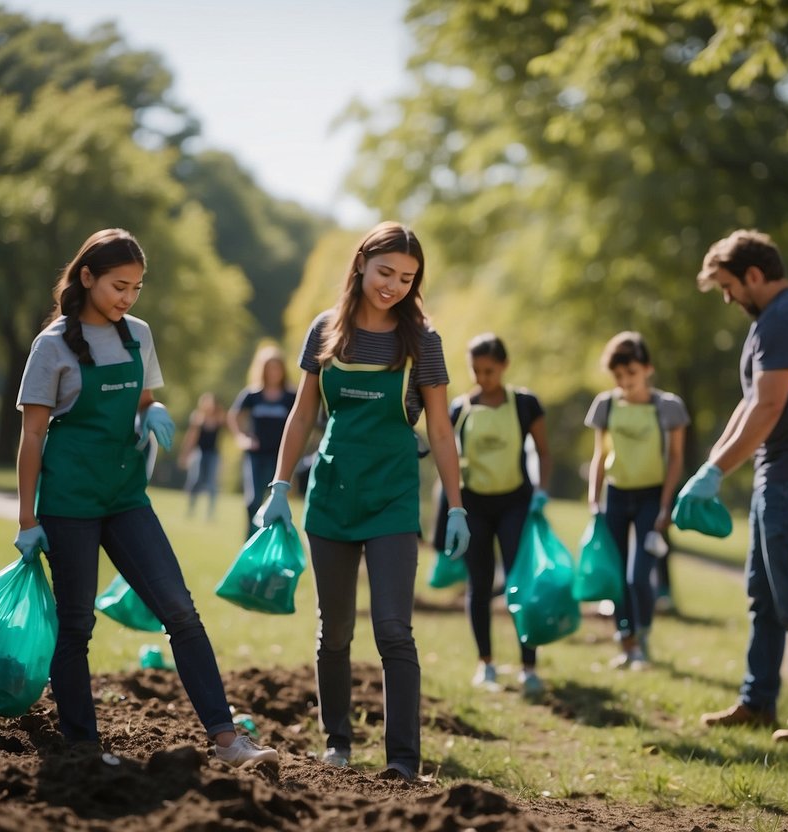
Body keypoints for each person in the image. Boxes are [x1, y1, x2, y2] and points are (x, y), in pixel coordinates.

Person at [13, 228, 278, 769]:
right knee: (76, 624)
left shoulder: (138, 334)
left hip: (127, 498)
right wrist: (26, 519)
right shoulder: (52, 347)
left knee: (180, 609)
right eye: (118, 286)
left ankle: (228, 742)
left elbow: (144, 399)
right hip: (69, 503)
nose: (127, 298)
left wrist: (150, 411)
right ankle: (84, 747)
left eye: (136, 287)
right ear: (86, 278)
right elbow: (33, 436)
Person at [253, 221, 470, 782]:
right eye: (385, 272)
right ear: (361, 265)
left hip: (394, 499)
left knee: (394, 629)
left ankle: (403, 759)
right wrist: (278, 486)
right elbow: (303, 415)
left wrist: (458, 506)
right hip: (330, 498)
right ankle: (337, 744)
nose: (394, 285)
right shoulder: (327, 331)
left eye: (407, 278)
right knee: (335, 630)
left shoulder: (422, 340)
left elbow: (442, 430)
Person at [686, 229, 788, 743]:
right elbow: (753, 399)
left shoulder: (783, 319)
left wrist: (715, 473)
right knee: (764, 596)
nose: (729, 299)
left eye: (730, 287)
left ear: (755, 275)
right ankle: (758, 703)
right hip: (780, 473)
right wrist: (713, 462)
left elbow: (768, 407)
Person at [447, 333, 553, 696]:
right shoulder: (460, 409)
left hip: (516, 503)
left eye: (489, 370)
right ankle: (486, 663)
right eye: (475, 370)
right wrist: (452, 507)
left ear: (504, 366)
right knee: (479, 584)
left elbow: (544, 451)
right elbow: (448, 457)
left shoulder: (525, 404)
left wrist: (541, 491)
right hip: (474, 505)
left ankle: (529, 666)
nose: (482, 377)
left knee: (520, 582)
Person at [585, 332, 689, 670]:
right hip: (616, 495)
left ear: (647, 369)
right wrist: (593, 499)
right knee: (615, 576)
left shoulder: (668, 407)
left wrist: (664, 504)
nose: (624, 382)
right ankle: (625, 643)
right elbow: (599, 455)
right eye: (618, 376)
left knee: (638, 576)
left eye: (631, 373)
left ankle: (641, 637)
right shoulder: (606, 404)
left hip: (650, 497)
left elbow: (675, 458)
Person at [228, 344, 297, 540]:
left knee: (275, 501)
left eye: (277, 368)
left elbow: (304, 420)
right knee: (253, 501)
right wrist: (242, 438)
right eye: (269, 368)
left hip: (280, 457)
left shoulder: (290, 397)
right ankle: (249, 542)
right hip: (256, 457)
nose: (273, 372)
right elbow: (234, 416)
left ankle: (270, 543)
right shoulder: (252, 395)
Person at [179, 392, 224, 519]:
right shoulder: (198, 419)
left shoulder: (219, 418)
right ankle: (191, 509)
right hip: (199, 453)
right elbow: (191, 438)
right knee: (195, 481)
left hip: (213, 454)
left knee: (212, 484)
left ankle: (210, 513)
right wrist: (185, 454)